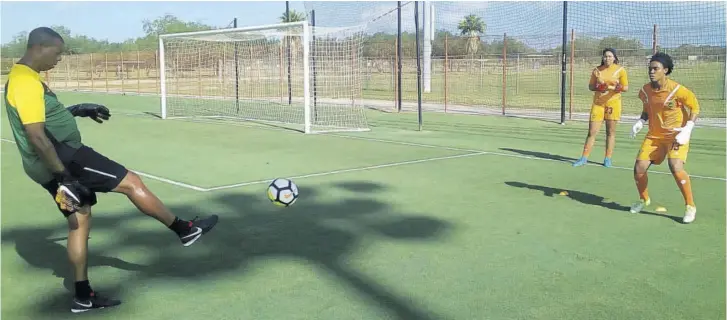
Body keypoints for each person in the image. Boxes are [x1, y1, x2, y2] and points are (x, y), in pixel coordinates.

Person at [3, 27, 219, 313]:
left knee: (79, 222)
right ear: (40, 47)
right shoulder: (26, 83)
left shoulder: (22, 77)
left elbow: (44, 119)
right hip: (65, 158)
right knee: (131, 183)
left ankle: (83, 295)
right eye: (57, 53)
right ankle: (185, 230)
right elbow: (37, 136)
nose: (59, 59)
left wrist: (76, 110)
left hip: (44, 164)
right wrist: (65, 177)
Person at [629, 52, 698, 224]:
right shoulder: (645, 91)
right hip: (654, 136)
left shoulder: (677, 90)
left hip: (676, 135)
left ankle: (690, 206)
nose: (651, 72)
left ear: (665, 70)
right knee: (639, 168)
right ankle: (644, 199)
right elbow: (646, 110)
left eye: (655, 68)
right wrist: (640, 121)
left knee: (675, 166)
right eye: (650, 68)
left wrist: (688, 128)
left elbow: (695, 108)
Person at [573, 48, 629, 168]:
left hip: (613, 104)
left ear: (614, 57)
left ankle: (607, 158)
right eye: (605, 56)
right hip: (598, 104)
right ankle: (584, 158)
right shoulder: (597, 70)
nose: (607, 58)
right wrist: (599, 86)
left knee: (610, 132)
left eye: (609, 56)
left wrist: (612, 88)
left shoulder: (620, 70)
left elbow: (625, 88)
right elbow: (591, 86)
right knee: (592, 132)